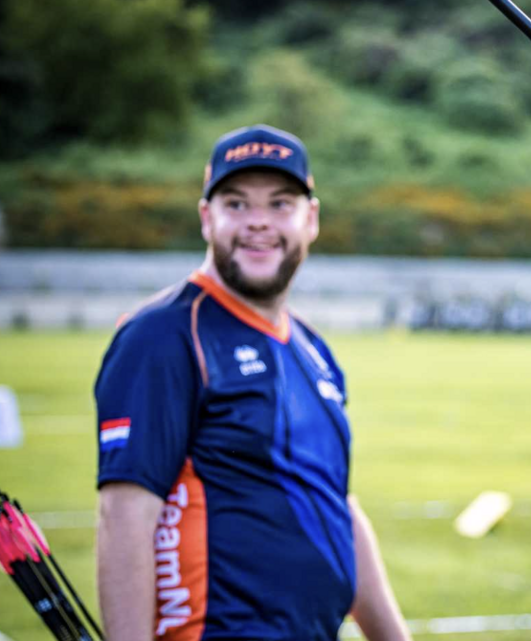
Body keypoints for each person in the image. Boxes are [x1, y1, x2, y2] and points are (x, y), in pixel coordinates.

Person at [94, 124, 412, 641]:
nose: (258, 222)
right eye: (237, 204)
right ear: (206, 218)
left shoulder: (311, 347)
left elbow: (337, 504)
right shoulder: (165, 335)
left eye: (280, 204)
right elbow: (125, 512)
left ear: (311, 219)